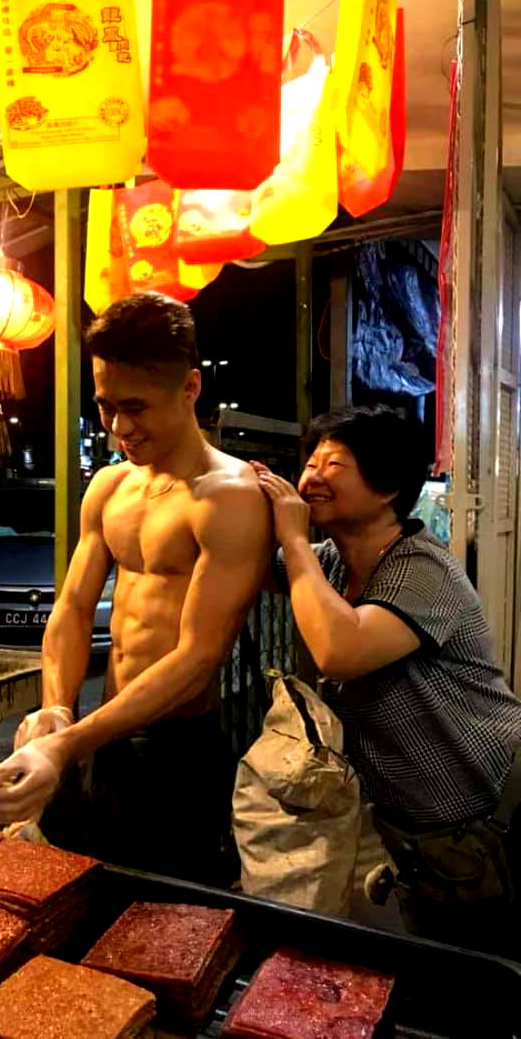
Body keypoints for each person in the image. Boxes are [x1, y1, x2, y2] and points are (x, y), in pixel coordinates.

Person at [0, 292, 272, 884]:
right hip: (100, 729)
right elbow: (74, 608)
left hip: (177, 747)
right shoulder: (110, 487)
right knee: (78, 886)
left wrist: (64, 746)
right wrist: (57, 711)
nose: (118, 429)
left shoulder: (229, 497)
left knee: (169, 922)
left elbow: (199, 655)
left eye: (135, 408)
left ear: (190, 388)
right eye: (107, 407)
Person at [254, 404, 521, 953]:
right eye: (312, 460)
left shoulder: (424, 568)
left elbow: (340, 649)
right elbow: (243, 558)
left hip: (491, 813)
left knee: (492, 973)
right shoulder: (330, 565)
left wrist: (295, 541)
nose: (311, 476)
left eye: (335, 464)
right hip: (422, 827)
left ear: (387, 487)